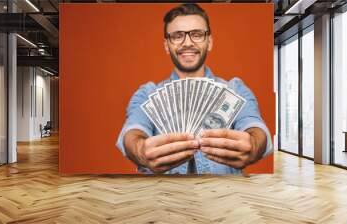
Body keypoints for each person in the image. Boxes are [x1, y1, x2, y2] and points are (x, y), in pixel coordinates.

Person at [116, 3, 272, 174]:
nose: (187, 43)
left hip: (223, 196)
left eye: (197, 35)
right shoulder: (148, 93)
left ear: (209, 42)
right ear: (166, 45)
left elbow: (254, 125)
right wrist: (140, 150)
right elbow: (132, 131)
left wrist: (254, 145)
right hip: (164, 198)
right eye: (177, 36)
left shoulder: (235, 89)